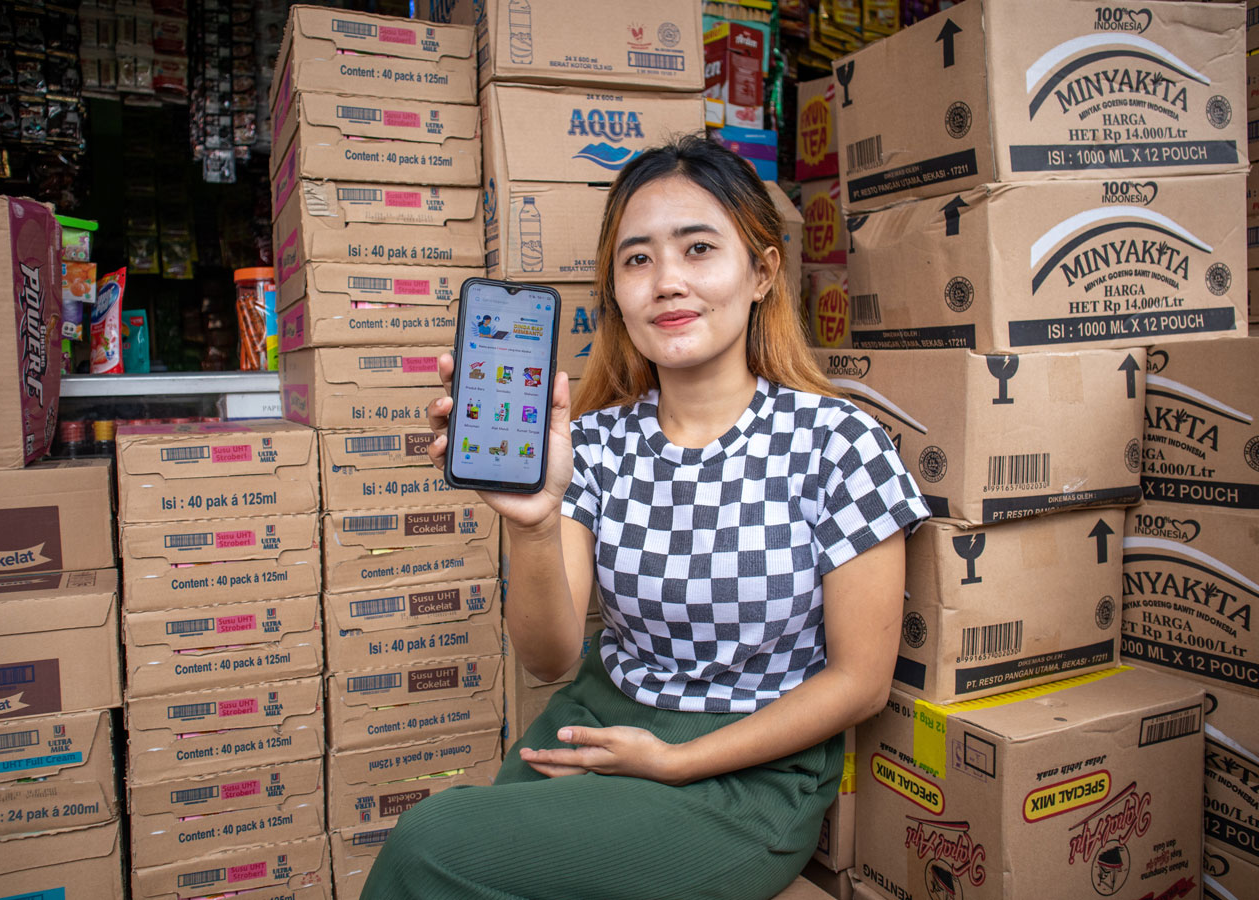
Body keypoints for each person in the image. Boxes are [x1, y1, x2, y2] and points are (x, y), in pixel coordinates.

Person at [361, 134, 930, 900]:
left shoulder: (836, 441)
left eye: (698, 249)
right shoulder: (591, 443)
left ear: (762, 272)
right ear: (616, 292)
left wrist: (673, 761)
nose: (667, 282)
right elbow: (549, 659)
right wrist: (530, 522)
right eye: (637, 260)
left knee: (431, 844)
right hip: (598, 723)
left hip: (746, 773)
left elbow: (860, 682)